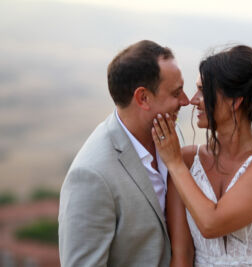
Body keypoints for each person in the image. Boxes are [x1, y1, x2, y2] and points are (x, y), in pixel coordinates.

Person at [152, 45, 252, 266]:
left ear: (235, 101)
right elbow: (182, 256)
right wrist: (178, 163)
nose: (193, 100)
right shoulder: (187, 161)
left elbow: (212, 224)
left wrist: (174, 163)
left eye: (203, 91)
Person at [58, 40, 189, 266]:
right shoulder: (91, 175)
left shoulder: (169, 133)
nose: (186, 101)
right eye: (176, 93)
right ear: (143, 98)